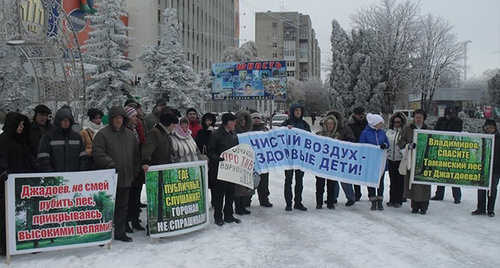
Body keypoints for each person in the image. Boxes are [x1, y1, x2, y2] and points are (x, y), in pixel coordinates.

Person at [92, 106, 141, 242]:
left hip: (126, 177)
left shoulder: (130, 135)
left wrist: (135, 169)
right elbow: (98, 153)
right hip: (109, 177)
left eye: (120, 118)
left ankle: (120, 232)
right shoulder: (102, 134)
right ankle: (100, 234)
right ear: (111, 119)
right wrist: (110, 164)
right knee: (105, 207)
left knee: (122, 207)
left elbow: (136, 154)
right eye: (116, 118)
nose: (118, 120)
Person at [0, 112, 36, 256]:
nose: (21, 127)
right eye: (19, 124)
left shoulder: (21, 140)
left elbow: (27, 156)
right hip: (7, 183)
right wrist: (4, 171)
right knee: (5, 215)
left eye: (23, 124)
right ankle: (4, 245)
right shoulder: (4, 139)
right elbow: (2, 156)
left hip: (21, 181)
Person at [208, 113, 240, 226]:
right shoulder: (216, 135)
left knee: (231, 193)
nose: (235, 124)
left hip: (231, 170)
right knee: (219, 195)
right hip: (219, 170)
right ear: (227, 122)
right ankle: (218, 216)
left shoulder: (233, 135)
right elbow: (210, 152)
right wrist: (221, 159)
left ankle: (229, 214)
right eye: (233, 121)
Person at [398, 109, 431, 214]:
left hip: (424, 160)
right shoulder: (407, 129)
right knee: (412, 183)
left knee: (423, 183)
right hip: (411, 160)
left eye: (420, 117)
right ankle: (415, 206)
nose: (418, 119)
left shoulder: (429, 129)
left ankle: (424, 206)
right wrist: (408, 145)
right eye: (416, 117)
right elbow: (401, 142)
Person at [37, 107, 87, 172]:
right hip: (55, 178)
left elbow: (83, 158)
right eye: (63, 120)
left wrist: (80, 173)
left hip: (74, 177)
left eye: (68, 120)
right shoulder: (48, 137)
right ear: (58, 121)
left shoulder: (77, 137)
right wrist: (51, 175)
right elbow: (43, 158)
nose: (66, 123)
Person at [282, 103, 311, 211]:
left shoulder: (305, 124)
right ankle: (288, 203)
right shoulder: (287, 123)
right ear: (292, 112)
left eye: (300, 110)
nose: (298, 112)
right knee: (288, 180)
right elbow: (280, 136)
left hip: (300, 157)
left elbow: (309, 139)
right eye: (296, 110)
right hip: (289, 157)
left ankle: (298, 202)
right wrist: (286, 129)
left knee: (299, 180)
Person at [431, 107, 463, 203]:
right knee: (441, 171)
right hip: (441, 147)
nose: (449, 115)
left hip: (453, 148)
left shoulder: (458, 121)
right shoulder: (441, 120)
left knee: (453, 172)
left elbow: (456, 132)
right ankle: (439, 194)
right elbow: (436, 131)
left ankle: (457, 196)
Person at [326, 110, 356, 206]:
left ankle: (351, 197)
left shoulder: (345, 129)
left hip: (343, 158)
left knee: (345, 179)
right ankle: (333, 197)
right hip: (330, 159)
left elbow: (352, 140)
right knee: (332, 179)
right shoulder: (326, 130)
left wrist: (342, 143)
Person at [359, 113, 389, 211]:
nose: (382, 124)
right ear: (375, 123)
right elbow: (361, 146)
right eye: (380, 123)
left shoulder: (382, 133)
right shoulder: (365, 133)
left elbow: (387, 142)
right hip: (370, 161)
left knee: (380, 181)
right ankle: (373, 200)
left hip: (380, 161)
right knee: (371, 181)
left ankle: (380, 200)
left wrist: (385, 145)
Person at [123, 106, 146, 232]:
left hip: (137, 166)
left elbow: (142, 143)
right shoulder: (124, 131)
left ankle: (136, 220)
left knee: (136, 197)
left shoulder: (137, 129)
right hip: (127, 168)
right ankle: (125, 222)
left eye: (136, 116)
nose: (135, 119)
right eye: (133, 116)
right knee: (127, 199)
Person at [472, 119, 500, 217]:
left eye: (491, 128)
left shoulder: (498, 138)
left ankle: (490, 209)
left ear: (495, 128)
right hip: (483, 168)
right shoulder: (482, 138)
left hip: (495, 169)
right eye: (487, 128)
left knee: (492, 189)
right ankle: (480, 208)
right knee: (481, 188)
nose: (489, 130)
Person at [141, 108, 179, 172]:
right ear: (168, 124)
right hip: (156, 169)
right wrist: (146, 162)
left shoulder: (166, 134)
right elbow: (147, 148)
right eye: (173, 124)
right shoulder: (155, 133)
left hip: (165, 168)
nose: (174, 127)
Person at [315, 115, 338, 210]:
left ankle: (330, 202)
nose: (330, 125)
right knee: (320, 184)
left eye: (332, 124)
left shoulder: (337, 135)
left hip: (332, 164)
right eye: (328, 123)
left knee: (331, 184)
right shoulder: (318, 134)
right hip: (320, 163)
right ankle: (319, 203)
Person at [233, 110, 254, 215]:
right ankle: (238, 206)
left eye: (244, 120)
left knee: (245, 185)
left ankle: (243, 205)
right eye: (240, 120)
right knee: (238, 186)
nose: (243, 122)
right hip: (237, 162)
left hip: (247, 161)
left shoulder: (250, 133)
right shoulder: (234, 133)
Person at [251, 112, 273, 207]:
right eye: (254, 118)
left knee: (264, 182)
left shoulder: (265, 130)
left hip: (263, 161)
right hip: (251, 160)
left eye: (257, 118)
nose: (256, 119)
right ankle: (247, 199)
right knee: (249, 180)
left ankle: (264, 199)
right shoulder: (248, 130)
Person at [386, 112, 407, 208]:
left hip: (400, 159)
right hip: (391, 158)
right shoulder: (389, 132)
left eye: (398, 122)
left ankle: (398, 199)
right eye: (395, 122)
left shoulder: (404, 132)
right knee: (392, 180)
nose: (396, 124)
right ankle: (392, 199)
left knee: (400, 181)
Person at [347, 106, 368, 201]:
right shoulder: (350, 125)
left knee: (368, 172)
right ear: (355, 115)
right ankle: (357, 193)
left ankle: (371, 193)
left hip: (367, 151)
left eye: (363, 114)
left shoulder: (368, 124)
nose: (361, 116)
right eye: (359, 114)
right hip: (355, 152)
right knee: (355, 173)